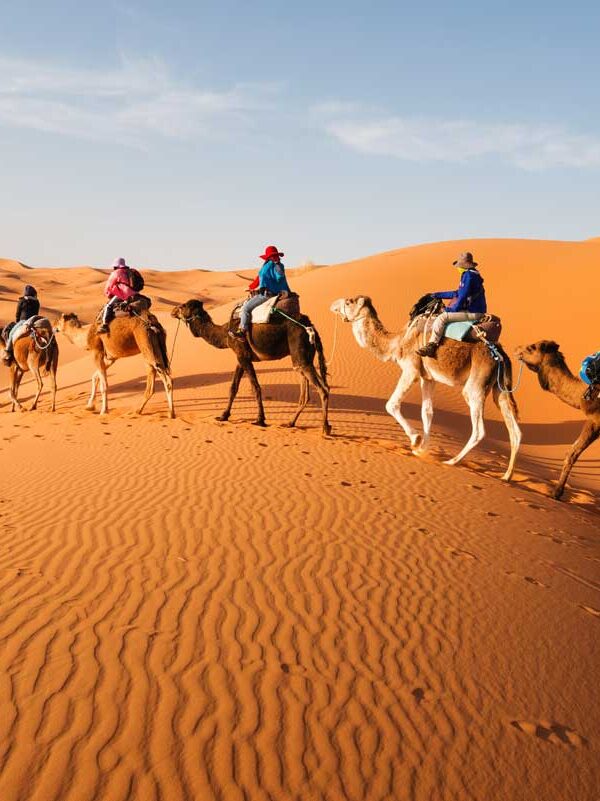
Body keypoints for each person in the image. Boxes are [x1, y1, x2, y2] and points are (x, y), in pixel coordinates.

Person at [417, 252, 487, 359]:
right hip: (474, 310)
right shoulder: (473, 274)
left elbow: (462, 297)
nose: (458, 268)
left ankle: (432, 345)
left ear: (463, 265)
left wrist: (450, 310)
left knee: (442, 318)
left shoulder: (468, 276)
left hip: (473, 312)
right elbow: (457, 293)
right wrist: (437, 295)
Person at [231, 245, 291, 338]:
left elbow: (280, 276)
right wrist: (251, 287)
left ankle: (242, 331)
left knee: (246, 309)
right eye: (272, 256)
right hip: (265, 292)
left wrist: (277, 264)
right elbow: (259, 278)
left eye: (275, 256)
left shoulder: (277, 266)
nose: (274, 257)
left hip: (267, 294)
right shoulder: (266, 266)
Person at [97, 257, 139, 334]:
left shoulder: (116, 273)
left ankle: (105, 325)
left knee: (108, 306)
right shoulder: (130, 271)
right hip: (135, 294)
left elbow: (109, 287)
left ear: (116, 266)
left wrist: (108, 295)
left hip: (123, 294)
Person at [1, 285, 41, 364]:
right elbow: (36, 313)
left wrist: (17, 322)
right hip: (34, 321)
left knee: (12, 333)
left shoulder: (22, 301)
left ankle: (8, 351)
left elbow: (17, 314)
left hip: (23, 321)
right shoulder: (37, 302)